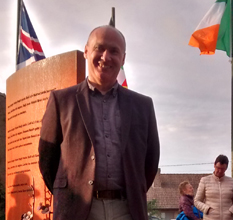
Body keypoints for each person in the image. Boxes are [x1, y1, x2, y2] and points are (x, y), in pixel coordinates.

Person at [38, 25, 160, 220]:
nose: (105, 57)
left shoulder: (143, 106)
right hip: (78, 211)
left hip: (127, 210)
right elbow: (47, 160)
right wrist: (71, 192)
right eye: (99, 48)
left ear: (123, 59)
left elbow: (150, 162)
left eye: (114, 51)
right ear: (86, 51)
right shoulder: (61, 101)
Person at [194, 155, 233, 220]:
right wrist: (207, 209)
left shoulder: (231, 182)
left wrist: (231, 211)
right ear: (214, 165)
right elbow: (197, 201)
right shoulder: (205, 180)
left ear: (226, 168)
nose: (219, 171)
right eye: (217, 167)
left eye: (222, 169)